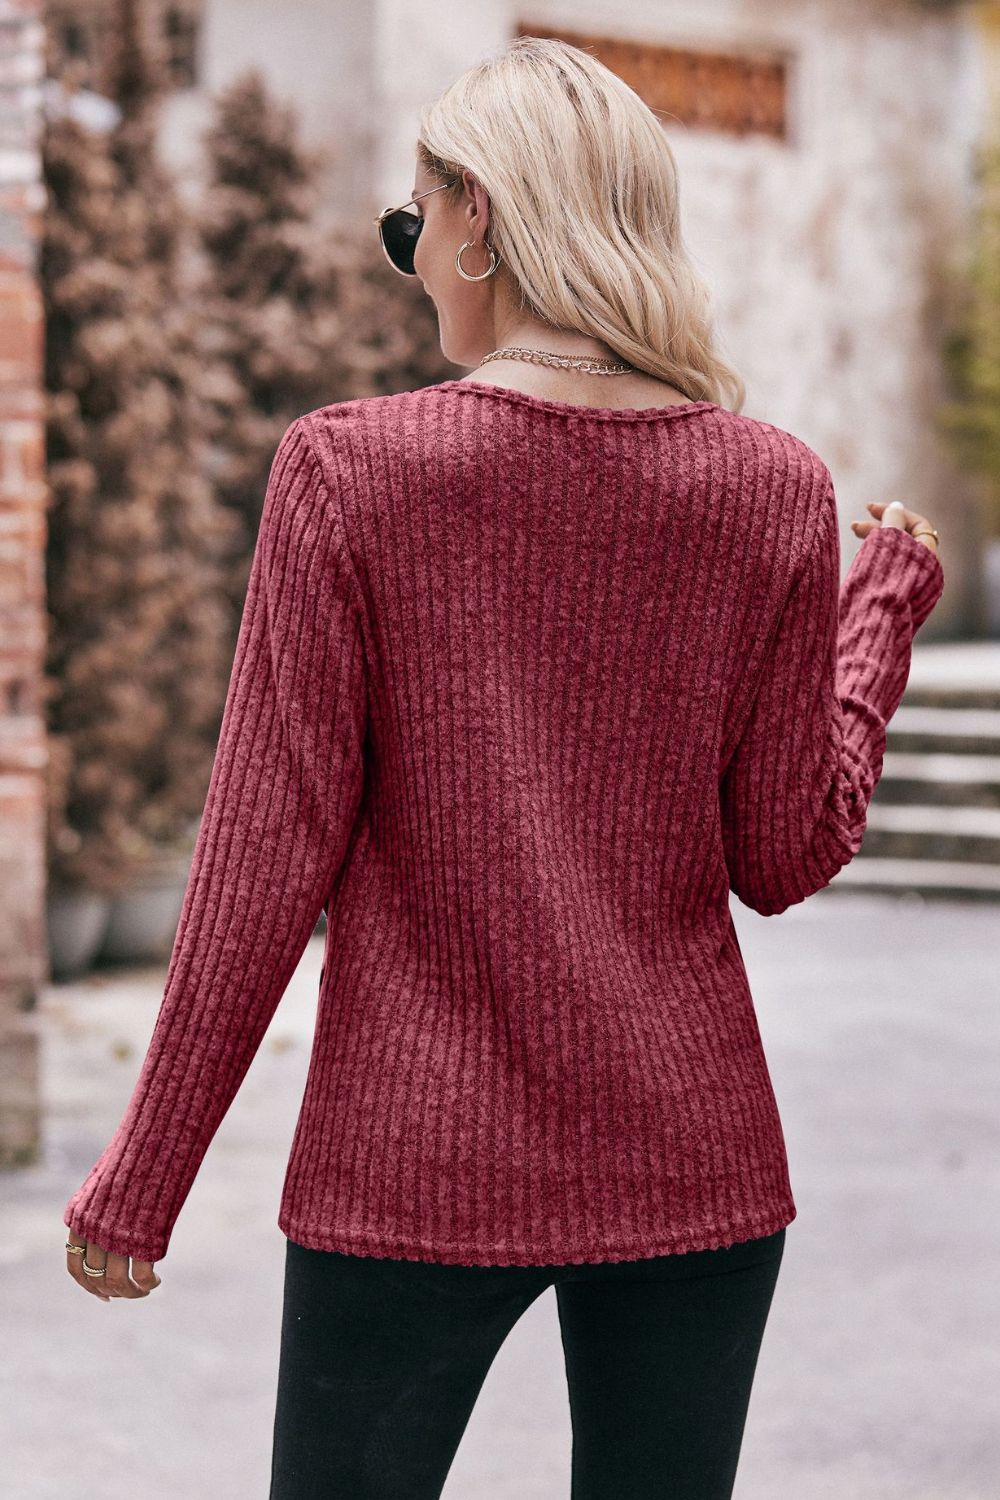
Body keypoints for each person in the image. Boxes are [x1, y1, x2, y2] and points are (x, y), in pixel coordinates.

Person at [63, 35, 944, 1500]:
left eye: (411, 224)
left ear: (477, 213)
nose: (414, 262)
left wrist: (143, 1176)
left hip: (407, 1170)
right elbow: (788, 854)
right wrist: (879, 617)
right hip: (692, 1164)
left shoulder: (348, 472)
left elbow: (261, 858)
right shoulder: (773, 487)